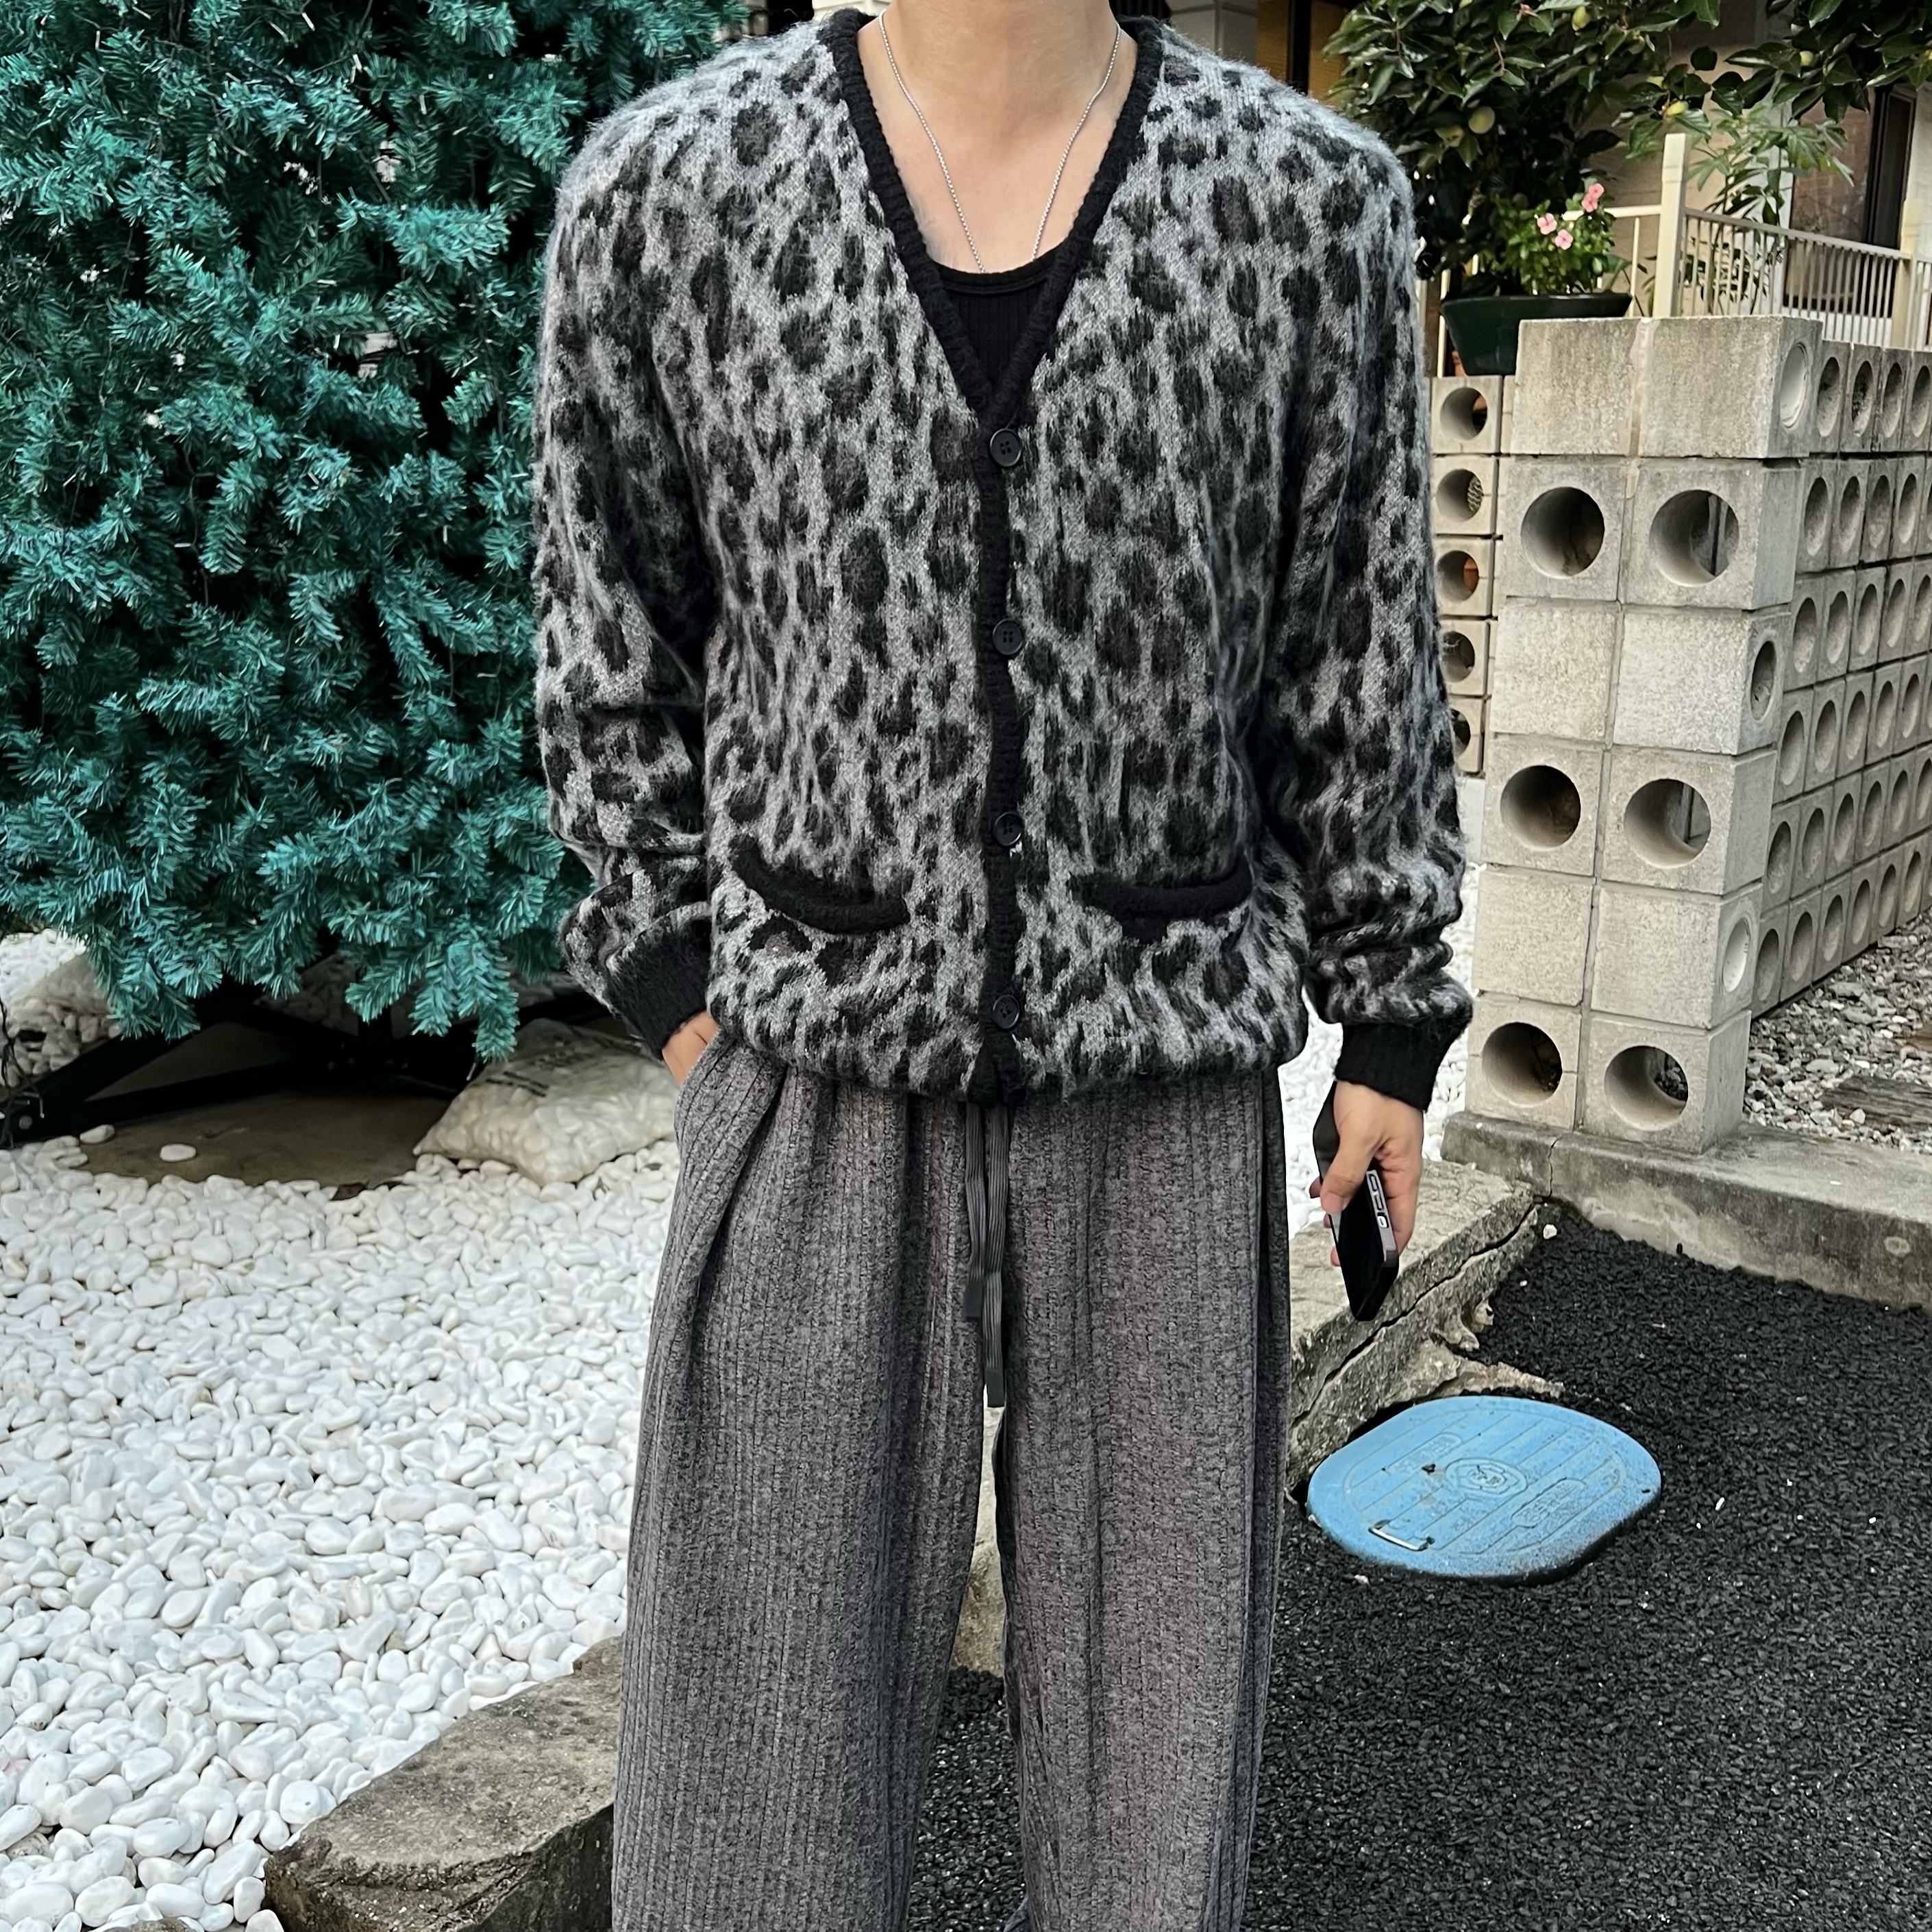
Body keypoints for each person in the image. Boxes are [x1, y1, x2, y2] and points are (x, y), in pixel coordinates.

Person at [530, 1, 1470, 1926]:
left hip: (1166, 1084)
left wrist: (1390, 1012)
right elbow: (605, 625)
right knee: (754, 1771)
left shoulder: (1305, 204)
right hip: (808, 1080)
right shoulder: (674, 189)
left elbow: (1355, 637)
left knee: (1155, 1766)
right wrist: (677, 985)